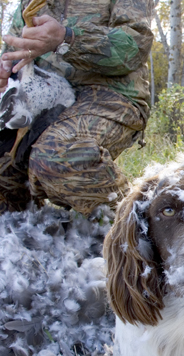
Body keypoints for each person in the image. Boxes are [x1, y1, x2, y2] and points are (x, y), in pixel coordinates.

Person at [0, 0, 153, 217]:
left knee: (56, 156)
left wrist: (67, 38)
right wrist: (7, 68)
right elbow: (14, 48)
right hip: (44, 96)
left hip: (109, 95)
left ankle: (138, 227)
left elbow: (133, 48)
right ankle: (27, 235)